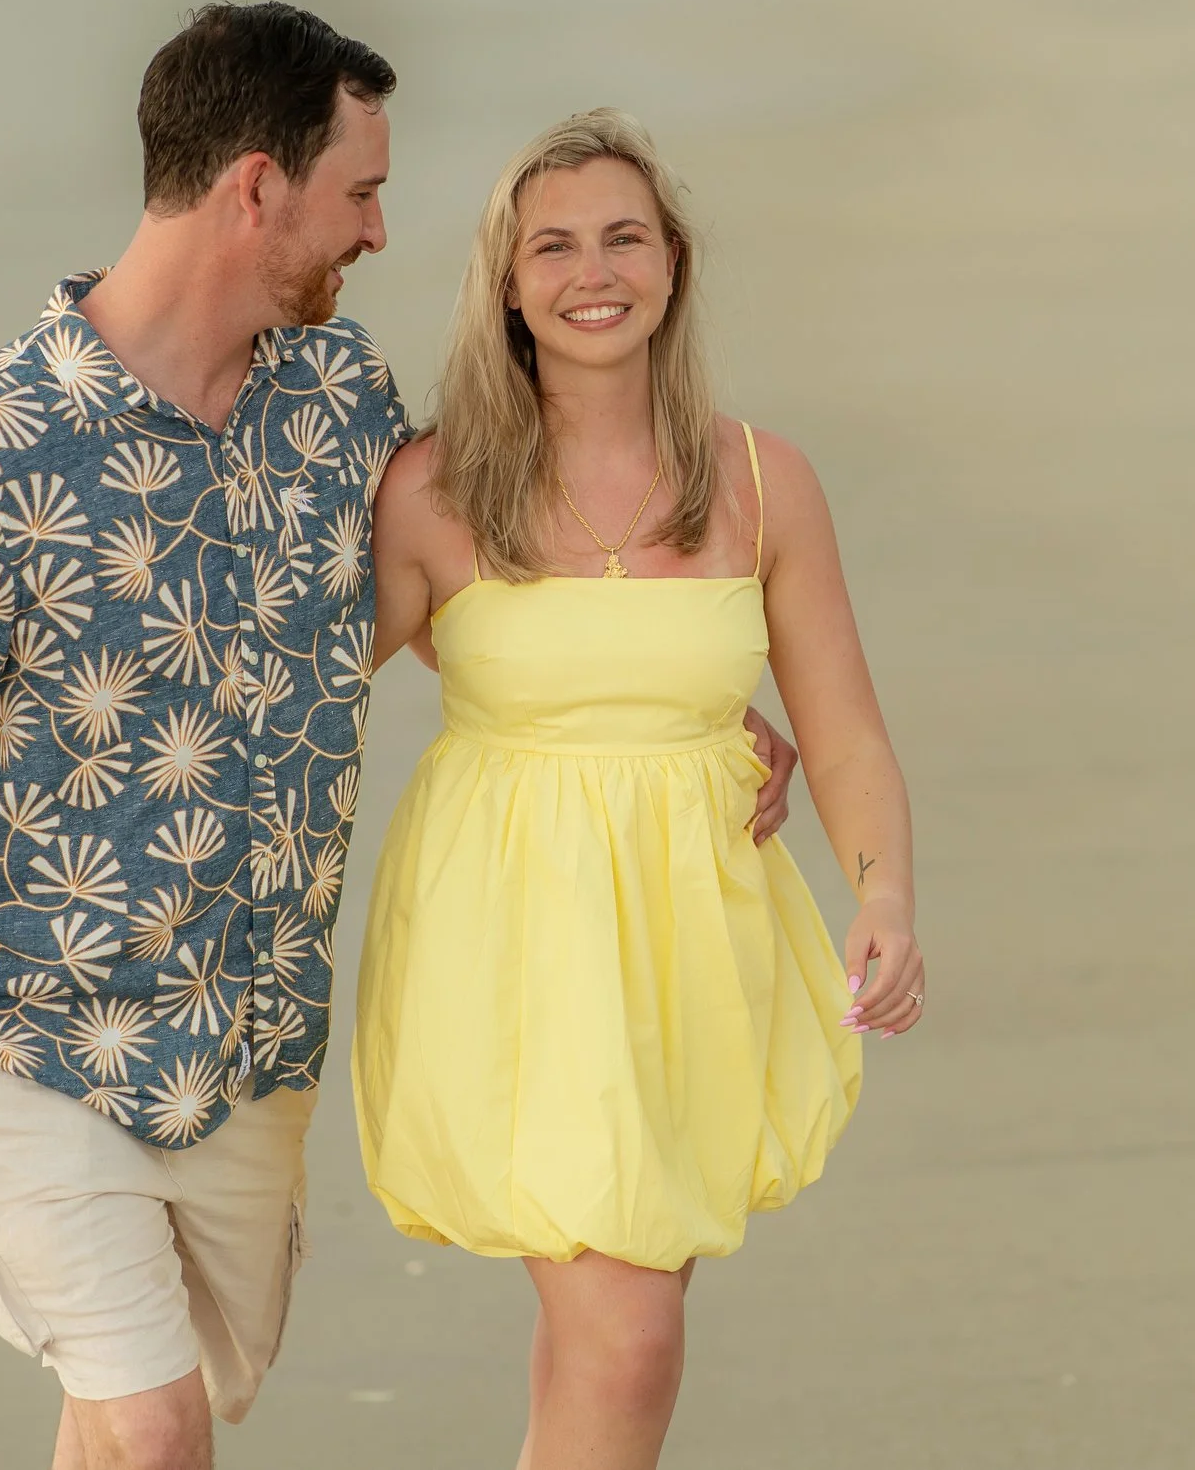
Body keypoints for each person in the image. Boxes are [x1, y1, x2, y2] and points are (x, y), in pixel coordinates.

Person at [0, 8, 799, 1470]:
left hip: (244, 1046)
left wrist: (668, 695)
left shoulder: (337, 404)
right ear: (257, 188)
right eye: (358, 192)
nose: (376, 230)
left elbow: (474, 581)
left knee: (129, 1422)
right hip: (31, 1029)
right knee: (156, 1423)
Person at [359, 108, 927, 1470]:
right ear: (506, 283)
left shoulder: (759, 479)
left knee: (612, 1330)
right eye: (549, 244)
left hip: (693, 939)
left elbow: (841, 727)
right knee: (629, 1336)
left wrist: (885, 892)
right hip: (509, 943)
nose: (590, 269)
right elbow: (292, 696)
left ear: (672, 262)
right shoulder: (432, 488)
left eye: (623, 235)